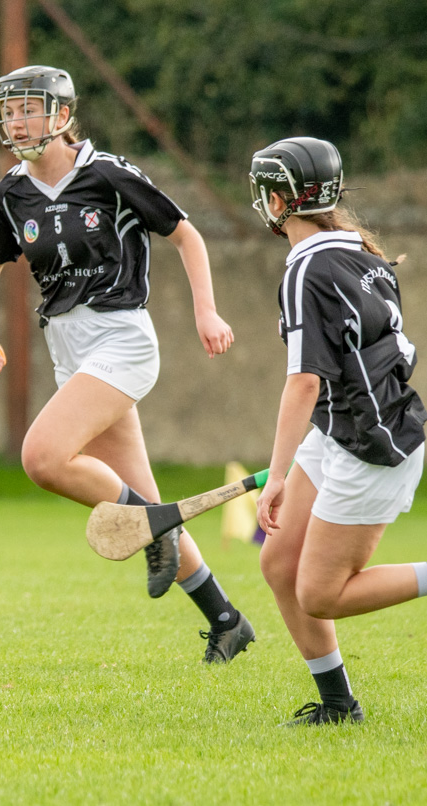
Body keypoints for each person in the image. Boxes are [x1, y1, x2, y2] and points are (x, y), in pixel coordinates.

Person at [0, 65, 254, 662]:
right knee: (146, 497)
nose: (16, 121)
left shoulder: (108, 173)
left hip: (120, 340)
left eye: (29, 108)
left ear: (62, 115)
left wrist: (207, 311)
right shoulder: (10, 193)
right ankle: (226, 621)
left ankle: (149, 527)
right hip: (67, 350)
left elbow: (187, 236)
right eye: (9, 111)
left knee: (42, 459)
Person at [250, 137, 426, 725]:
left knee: (321, 592)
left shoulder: (309, 267)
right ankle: (337, 705)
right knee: (278, 564)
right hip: (340, 431)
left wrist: (276, 476)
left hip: (370, 447)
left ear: (278, 200)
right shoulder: (357, 252)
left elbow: (303, 382)